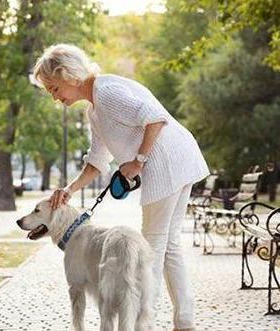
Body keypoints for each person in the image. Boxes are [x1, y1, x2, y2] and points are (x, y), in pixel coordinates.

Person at [33, 43, 209, 331]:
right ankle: (184, 320)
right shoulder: (95, 109)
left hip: (166, 164)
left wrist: (138, 161)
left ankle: (143, 323)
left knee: (150, 247)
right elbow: (98, 160)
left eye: (53, 88)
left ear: (68, 74)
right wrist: (70, 189)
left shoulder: (106, 92)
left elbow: (155, 117)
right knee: (169, 244)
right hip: (179, 160)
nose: (54, 97)